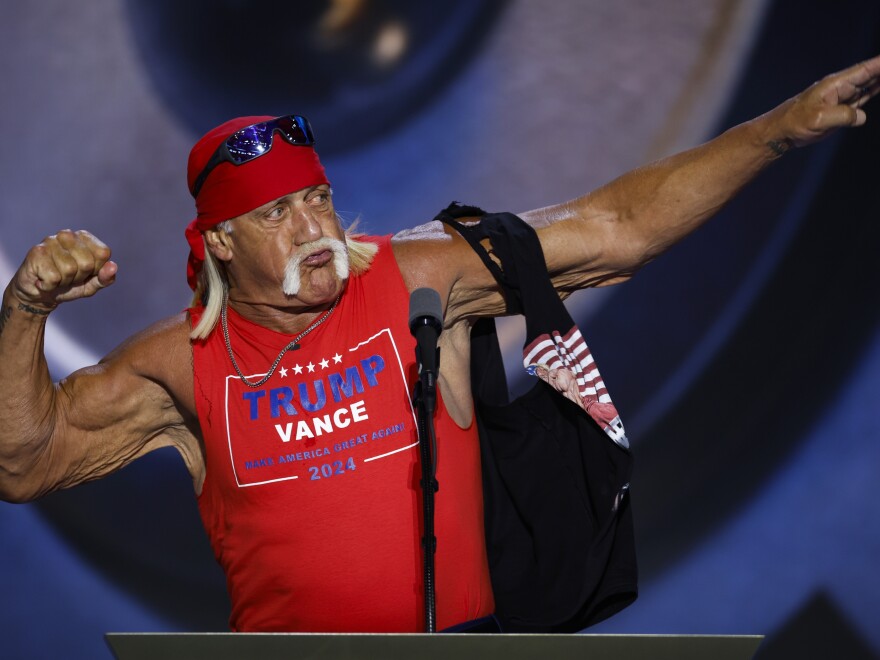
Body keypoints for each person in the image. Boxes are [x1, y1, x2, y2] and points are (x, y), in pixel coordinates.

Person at [1, 56, 878, 633]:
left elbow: (615, 228)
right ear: (221, 243)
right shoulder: (178, 363)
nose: (312, 225)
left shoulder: (417, 277)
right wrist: (28, 309)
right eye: (277, 213)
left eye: (317, 198)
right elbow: (22, 464)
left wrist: (778, 130)